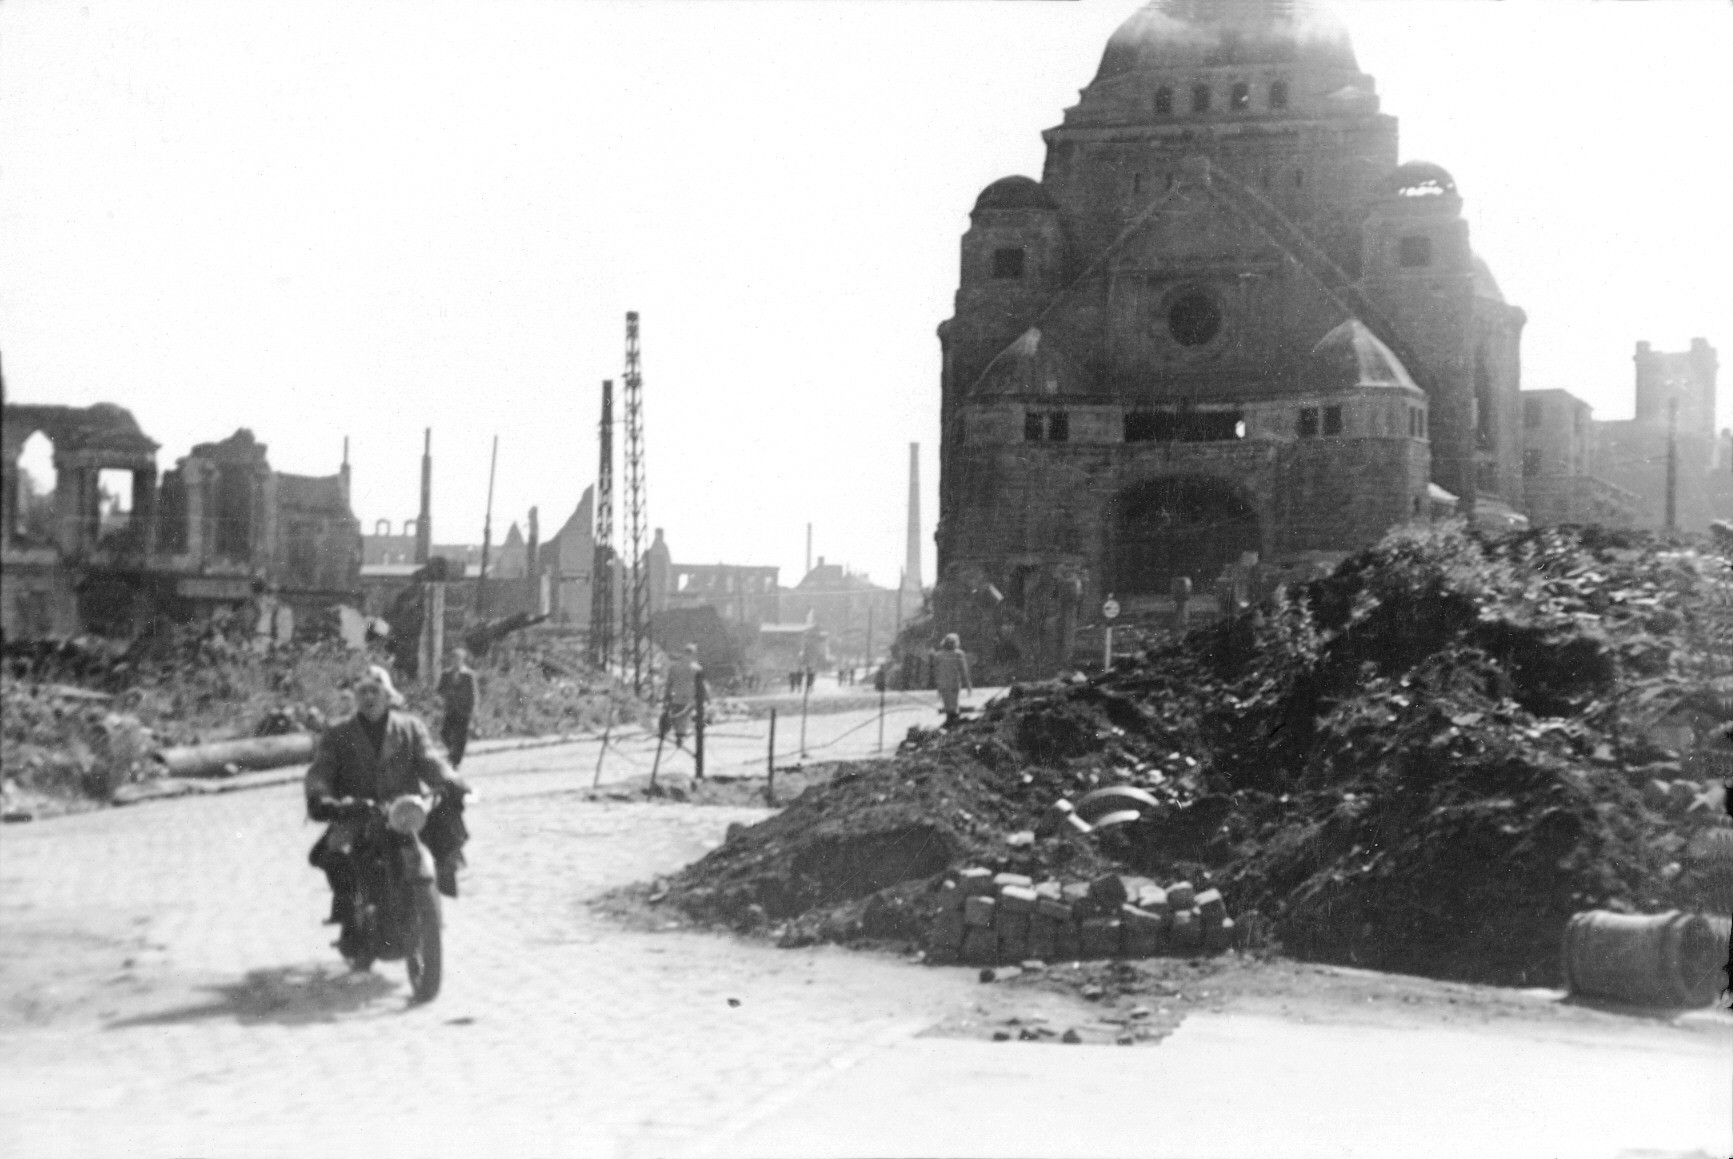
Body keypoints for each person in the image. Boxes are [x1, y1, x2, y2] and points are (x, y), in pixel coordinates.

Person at [306, 666, 468, 942]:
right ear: (355, 697)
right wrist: (321, 797)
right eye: (363, 691)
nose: (369, 697)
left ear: (387, 695)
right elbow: (321, 771)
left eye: (375, 690)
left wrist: (451, 781)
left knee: (443, 835)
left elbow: (430, 759)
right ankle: (353, 914)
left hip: (404, 812)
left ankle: (431, 895)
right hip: (358, 813)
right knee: (333, 854)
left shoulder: (409, 727)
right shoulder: (338, 733)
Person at [436, 647, 478, 769]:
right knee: (445, 733)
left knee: (461, 736)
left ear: (462, 660)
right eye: (453, 659)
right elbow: (440, 690)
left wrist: (474, 708)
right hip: (450, 708)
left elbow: (473, 693)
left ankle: (455, 761)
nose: (455, 661)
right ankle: (452, 752)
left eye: (458, 659)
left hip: (464, 709)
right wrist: (446, 694)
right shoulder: (445, 674)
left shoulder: (469, 675)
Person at [661, 643, 702, 749]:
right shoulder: (696, 668)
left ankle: (677, 734)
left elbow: (669, 682)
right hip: (690, 696)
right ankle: (680, 736)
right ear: (693, 653)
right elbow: (700, 684)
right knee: (685, 717)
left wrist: (667, 694)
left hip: (676, 695)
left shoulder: (674, 666)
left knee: (678, 715)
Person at [930, 633, 973, 728]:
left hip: (943, 683)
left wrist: (938, 687)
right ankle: (953, 723)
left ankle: (950, 722)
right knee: (954, 704)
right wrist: (968, 685)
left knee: (947, 704)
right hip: (954, 683)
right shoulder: (958, 654)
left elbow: (936, 672)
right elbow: (964, 671)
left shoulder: (938, 655)